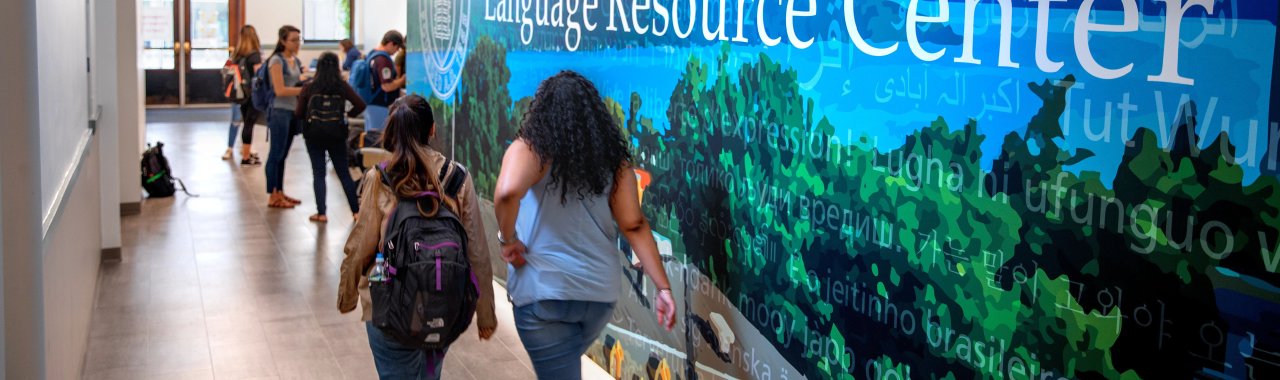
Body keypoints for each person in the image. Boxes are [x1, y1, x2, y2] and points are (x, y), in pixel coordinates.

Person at [493, 70, 677, 379]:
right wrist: (664, 288)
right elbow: (634, 226)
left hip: (545, 296)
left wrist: (507, 239)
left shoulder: (531, 150)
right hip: (598, 297)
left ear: (542, 109)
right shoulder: (613, 162)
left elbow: (507, 192)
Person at [338, 94, 497, 379]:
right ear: (432, 129)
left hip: (387, 306)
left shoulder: (380, 178)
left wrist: (347, 295)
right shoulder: (458, 177)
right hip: (442, 301)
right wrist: (485, 313)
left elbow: (361, 245)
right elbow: (477, 251)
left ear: (391, 131)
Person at [296, 52, 365, 222]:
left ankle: (321, 213)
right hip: (337, 134)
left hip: (314, 135)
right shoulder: (341, 86)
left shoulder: (309, 87)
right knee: (344, 173)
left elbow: (299, 113)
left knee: (318, 173)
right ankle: (356, 212)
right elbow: (361, 104)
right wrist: (347, 114)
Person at [265, 25, 306, 209]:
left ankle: (280, 191)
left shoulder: (294, 60)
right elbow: (280, 90)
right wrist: (305, 90)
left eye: (299, 39)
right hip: (279, 112)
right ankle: (272, 194)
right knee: (275, 154)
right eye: (293, 40)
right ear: (283, 41)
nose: (297, 43)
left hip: (292, 112)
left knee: (283, 155)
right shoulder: (276, 60)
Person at [223, 25, 262, 165]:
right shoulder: (255, 56)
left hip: (238, 94)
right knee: (249, 124)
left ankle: (232, 148)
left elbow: (224, 70)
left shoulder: (235, 54)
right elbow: (259, 76)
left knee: (238, 121)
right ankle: (246, 156)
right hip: (251, 94)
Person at [362, 30, 405, 142]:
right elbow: (387, 86)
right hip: (379, 105)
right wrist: (402, 80)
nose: (396, 51)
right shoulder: (383, 60)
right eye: (397, 48)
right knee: (378, 140)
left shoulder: (372, 54)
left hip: (370, 103)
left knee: (370, 137)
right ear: (391, 43)